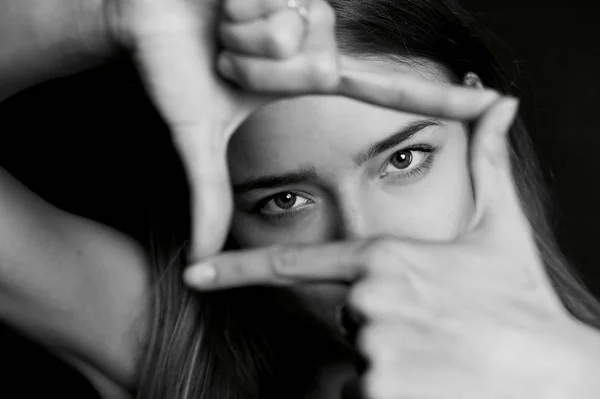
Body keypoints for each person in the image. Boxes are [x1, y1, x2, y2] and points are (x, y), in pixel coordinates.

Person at [1, 1, 599, 399]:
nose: (366, 244)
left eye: (404, 159)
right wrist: (105, 16)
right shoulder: (182, 359)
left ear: (480, 129)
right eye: (285, 200)